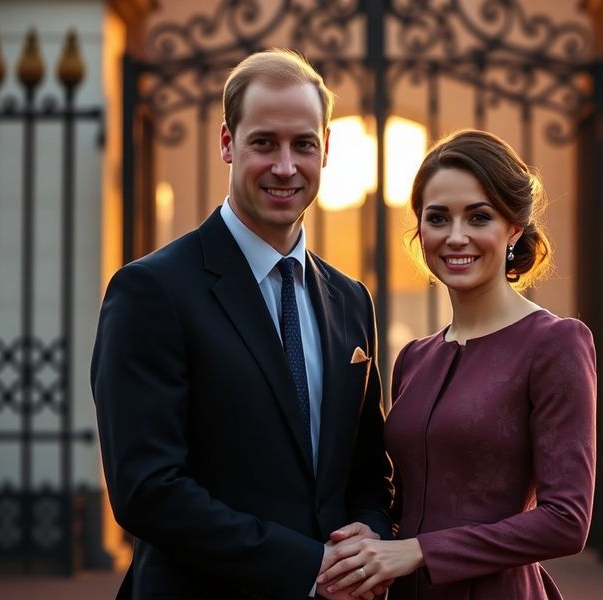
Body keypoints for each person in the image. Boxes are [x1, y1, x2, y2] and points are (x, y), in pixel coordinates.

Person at [91, 49, 393, 599]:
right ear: (227, 143)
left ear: (326, 149)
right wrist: (309, 568)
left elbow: (368, 473)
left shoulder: (351, 300)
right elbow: (147, 489)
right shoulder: (152, 291)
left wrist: (366, 544)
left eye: (303, 144)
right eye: (263, 143)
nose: (285, 166)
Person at [317, 129, 597, 599]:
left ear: (513, 228)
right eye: (438, 218)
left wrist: (422, 550)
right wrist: (377, 538)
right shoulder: (415, 357)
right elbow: (404, 500)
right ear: (420, 230)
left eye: (479, 216)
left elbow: (567, 521)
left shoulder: (555, 343)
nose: (456, 236)